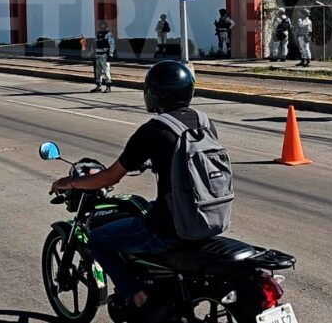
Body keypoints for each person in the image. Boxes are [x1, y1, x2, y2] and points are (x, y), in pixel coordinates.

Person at [51, 60, 218, 321]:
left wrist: (71, 183)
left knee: (98, 239)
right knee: (144, 206)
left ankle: (138, 297)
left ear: (154, 93)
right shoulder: (204, 122)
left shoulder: (154, 130)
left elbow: (109, 178)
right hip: (209, 219)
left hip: (169, 229)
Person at [92, 21, 116, 93]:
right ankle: (98, 86)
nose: (102, 26)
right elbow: (94, 44)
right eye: (101, 25)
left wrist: (110, 54)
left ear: (106, 26)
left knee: (106, 71)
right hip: (98, 54)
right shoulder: (98, 34)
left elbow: (112, 45)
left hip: (105, 55)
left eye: (103, 25)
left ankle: (108, 87)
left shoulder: (108, 34)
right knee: (98, 71)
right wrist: (92, 53)